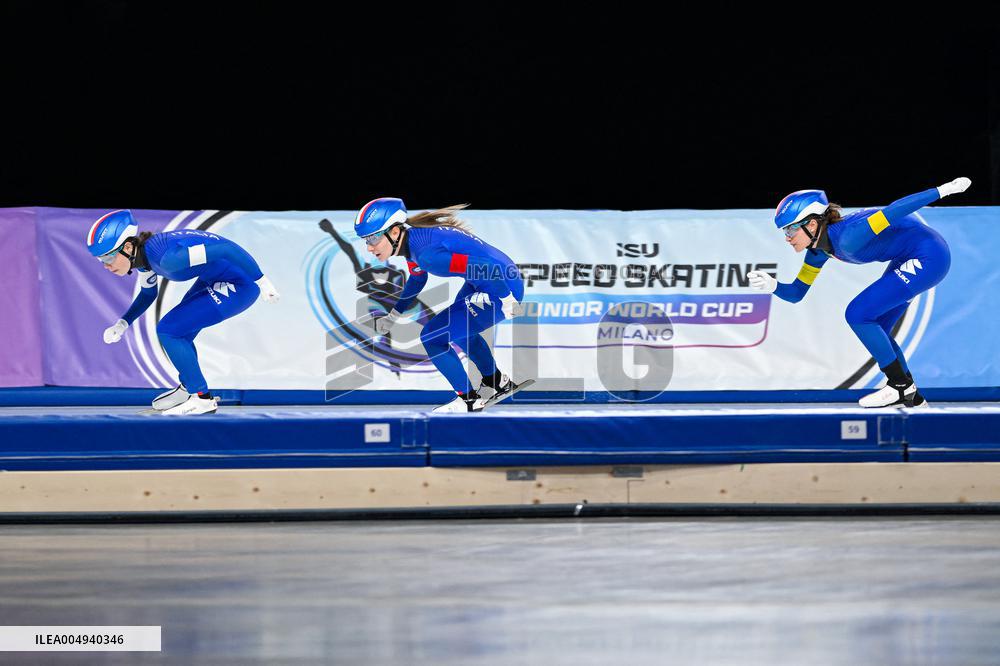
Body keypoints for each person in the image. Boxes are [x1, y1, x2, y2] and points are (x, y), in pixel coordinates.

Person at [748, 177, 970, 408]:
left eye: (791, 228)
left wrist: (943, 190)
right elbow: (796, 293)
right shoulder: (817, 252)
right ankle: (912, 397)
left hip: (930, 255)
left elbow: (895, 210)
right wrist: (773, 285)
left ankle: (899, 386)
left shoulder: (850, 236)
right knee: (878, 328)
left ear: (812, 224)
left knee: (858, 313)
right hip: (907, 255)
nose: (787, 237)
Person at [86, 210, 280, 415]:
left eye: (108, 257)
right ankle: (189, 387)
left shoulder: (169, 259)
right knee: (180, 332)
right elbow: (147, 294)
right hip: (213, 278)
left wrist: (262, 281)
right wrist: (122, 324)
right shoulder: (144, 259)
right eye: (101, 260)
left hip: (240, 285)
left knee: (170, 330)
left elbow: (225, 249)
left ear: (127, 246)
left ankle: (202, 399)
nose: (106, 266)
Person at [355, 197, 526, 413]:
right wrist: (393, 316)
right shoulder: (413, 243)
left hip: (498, 284)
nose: (369, 247)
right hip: (489, 281)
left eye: (372, 238)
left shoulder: (426, 255)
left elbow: (486, 267)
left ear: (395, 232)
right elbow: (417, 280)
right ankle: (496, 381)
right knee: (459, 330)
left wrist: (507, 299)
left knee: (433, 336)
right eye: (365, 240)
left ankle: (468, 400)